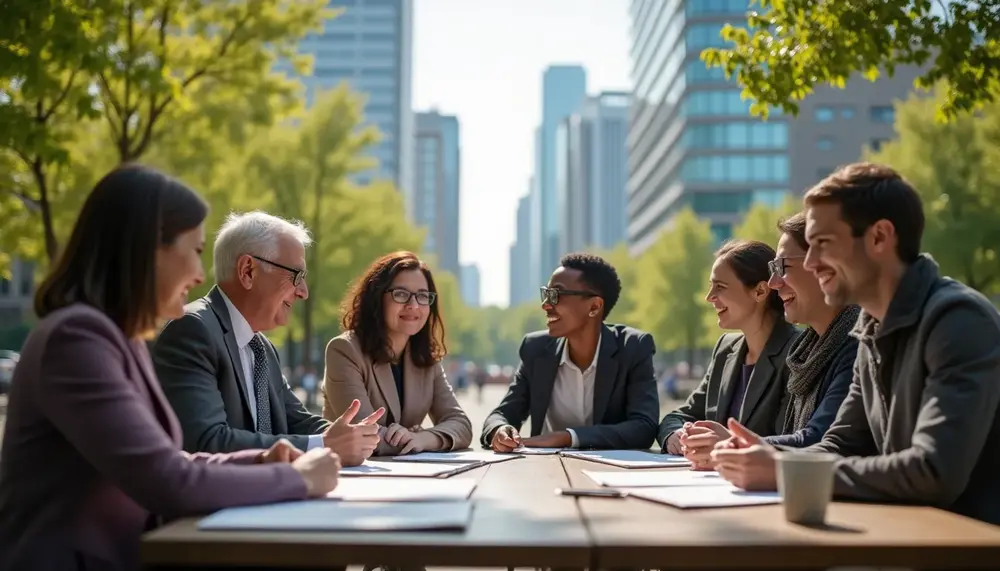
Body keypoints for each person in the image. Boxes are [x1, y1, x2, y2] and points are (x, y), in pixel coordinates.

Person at [0, 165, 341, 571]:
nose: (200, 274)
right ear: (146, 249)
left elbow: (171, 459)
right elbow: (167, 479)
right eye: (195, 251)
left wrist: (259, 461)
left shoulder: (117, 339)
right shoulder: (76, 340)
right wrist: (297, 479)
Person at [713, 163, 1000, 526]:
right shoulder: (870, 327)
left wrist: (781, 468)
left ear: (880, 237)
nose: (812, 263)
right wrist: (760, 453)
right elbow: (840, 445)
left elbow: (933, 471)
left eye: (823, 244)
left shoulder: (959, 320)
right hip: (901, 539)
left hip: (963, 550)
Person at [152, 211, 383, 466]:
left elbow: (297, 420)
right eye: (296, 275)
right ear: (248, 271)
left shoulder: (261, 347)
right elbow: (208, 442)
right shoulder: (193, 331)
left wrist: (360, 434)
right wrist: (326, 445)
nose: (303, 292)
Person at [681, 213, 859, 470]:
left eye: (782, 267)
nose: (774, 283)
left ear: (827, 268)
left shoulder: (857, 346)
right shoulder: (806, 354)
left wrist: (730, 444)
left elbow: (820, 441)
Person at [482, 253, 659, 451]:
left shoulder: (633, 347)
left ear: (594, 306)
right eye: (546, 294)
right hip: (544, 471)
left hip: (611, 474)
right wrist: (500, 429)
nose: (546, 305)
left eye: (556, 295)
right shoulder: (535, 349)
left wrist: (568, 438)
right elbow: (503, 413)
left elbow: (644, 427)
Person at [657, 240, 799, 468]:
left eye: (720, 287)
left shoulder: (798, 350)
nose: (709, 297)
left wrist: (727, 445)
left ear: (760, 291)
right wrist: (677, 436)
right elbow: (679, 416)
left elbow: (793, 439)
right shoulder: (726, 348)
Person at [324, 252, 472, 456]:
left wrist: (423, 438)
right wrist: (414, 439)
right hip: (351, 475)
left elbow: (461, 425)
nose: (413, 305)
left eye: (422, 296)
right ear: (377, 298)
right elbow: (363, 435)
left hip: (409, 477)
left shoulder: (425, 359)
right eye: (401, 294)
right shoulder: (345, 350)